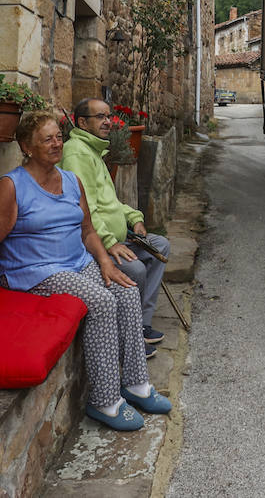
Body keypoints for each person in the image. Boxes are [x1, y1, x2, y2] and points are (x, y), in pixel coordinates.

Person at [0, 111, 171, 432]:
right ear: (27, 147)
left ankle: (136, 384)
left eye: (59, 136)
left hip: (77, 262)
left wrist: (106, 263)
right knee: (101, 302)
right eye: (48, 139)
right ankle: (105, 401)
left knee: (125, 289)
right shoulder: (12, 186)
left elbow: (87, 232)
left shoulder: (72, 181)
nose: (57, 144)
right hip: (35, 270)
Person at [62, 99, 172, 355]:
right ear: (81, 122)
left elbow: (110, 203)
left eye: (108, 116)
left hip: (117, 237)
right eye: (100, 117)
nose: (108, 122)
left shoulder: (94, 152)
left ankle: (141, 326)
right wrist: (110, 243)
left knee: (160, 245)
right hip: (95, 243)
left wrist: (135, 217)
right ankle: (129, 339)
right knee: (135, 269)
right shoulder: (77, 152)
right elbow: (85, 209)